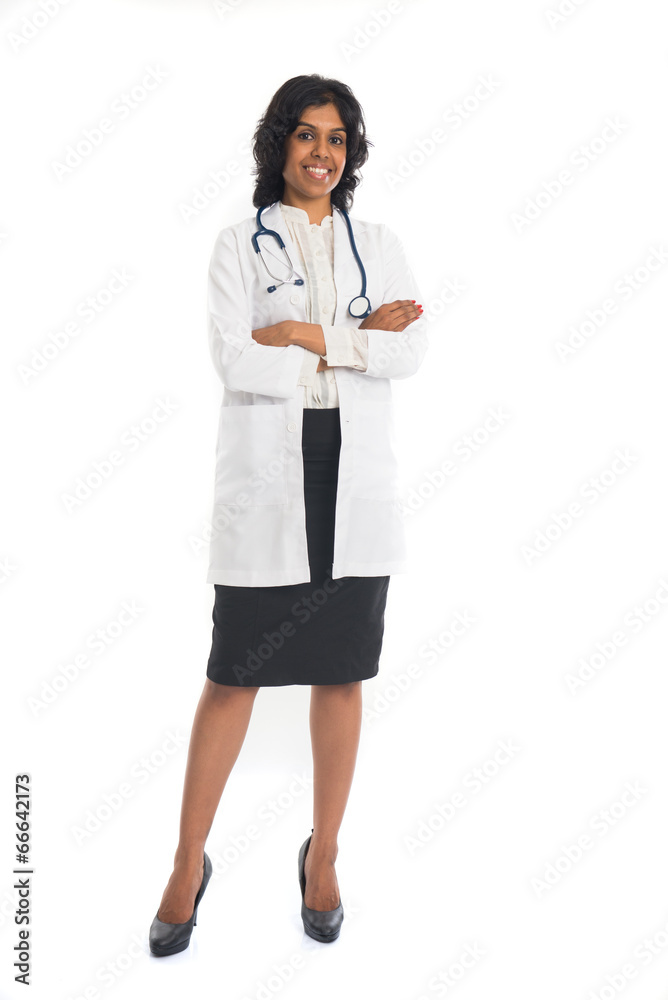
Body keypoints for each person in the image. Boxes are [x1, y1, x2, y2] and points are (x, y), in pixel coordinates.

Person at [149, 73, 428, 956]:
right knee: (233, 673)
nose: (322, 153)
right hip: (271, 479)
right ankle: (187, 861)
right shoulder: (239, 245)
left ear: (351, 152)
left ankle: (324, 855)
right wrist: (357, 345)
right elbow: (236, 359)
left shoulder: (378, 243)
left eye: (337, 139)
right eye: (307, 135)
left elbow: (410, 351)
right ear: (281, 144)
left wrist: (305, 336)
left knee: (340, 674)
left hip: (353, 476)